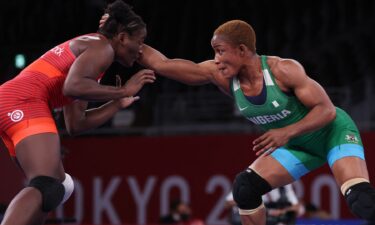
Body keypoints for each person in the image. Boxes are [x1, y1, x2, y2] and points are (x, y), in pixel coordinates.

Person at [135, 19, 375, 224]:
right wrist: (123, 38)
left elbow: (326, 110)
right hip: (296, 146)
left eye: (220, 51)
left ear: (241, 50)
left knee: (360, 201)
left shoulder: (283, 70)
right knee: (245, 188)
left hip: (332, 133)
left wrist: (287, 132)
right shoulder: (220, 76)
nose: (216, 59)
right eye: (214, 52)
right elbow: (162, 64)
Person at [0, 1, 155, 225]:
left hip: (15, 101)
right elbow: (72, 87)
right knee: (46, 182)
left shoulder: (92, 63)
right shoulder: (102, 47)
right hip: (23, 100)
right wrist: (123, 90)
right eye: (139, 41)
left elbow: (75, 124)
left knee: (58, 188)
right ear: (122, 38)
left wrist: (116, 104)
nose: (141, 49)